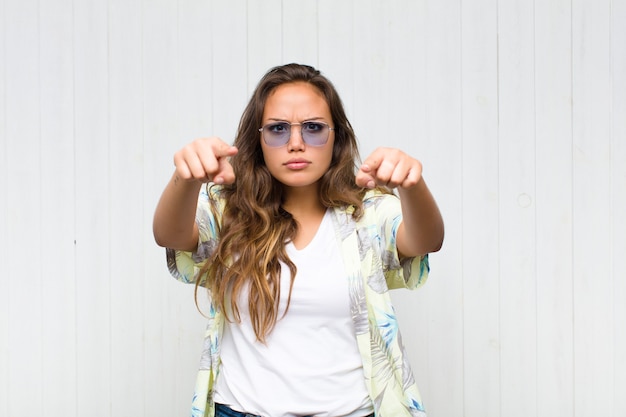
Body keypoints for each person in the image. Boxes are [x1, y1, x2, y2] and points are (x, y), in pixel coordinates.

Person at [153, 63, 444, 417]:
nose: (295, 143)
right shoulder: (229, 210)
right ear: (258, 140)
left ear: (336, 136)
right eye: (277, 129)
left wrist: (412, 186)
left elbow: (425, 240)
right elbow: (169, 236)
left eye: (313, 128)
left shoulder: (366, 212)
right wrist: (186, 178)